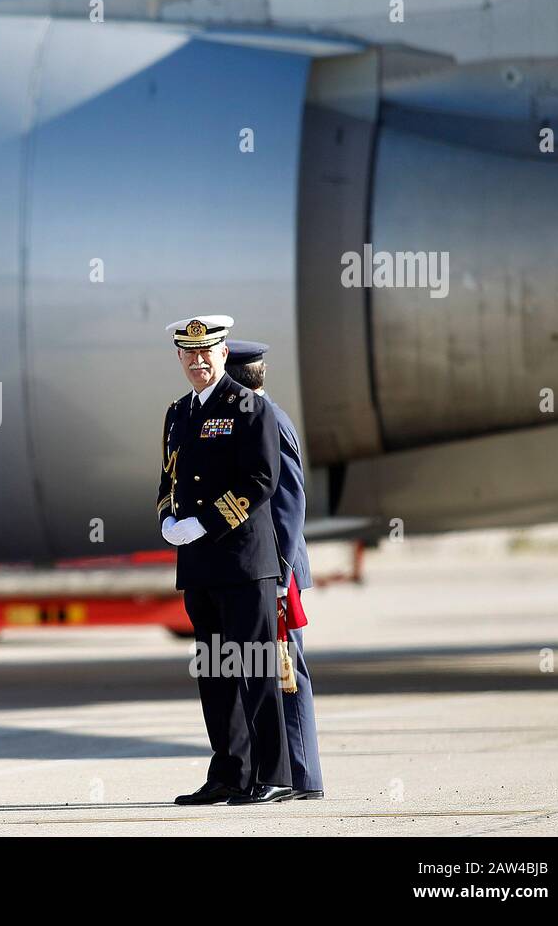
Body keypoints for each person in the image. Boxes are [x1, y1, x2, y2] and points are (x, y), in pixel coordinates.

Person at [157, 315, 294, 805]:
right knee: (214, 673)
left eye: (206, 352)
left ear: (221, 353)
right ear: (179, 358)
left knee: (254, 670)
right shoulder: (178, 413)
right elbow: (169, 480)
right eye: (189, 354)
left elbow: (261, 480)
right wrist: (167, 520)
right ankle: (229, 774)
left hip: (241, 563)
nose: (198, 361)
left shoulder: (247, 407)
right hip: (198, 566)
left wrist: (205, 523)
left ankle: (273, 774)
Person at [224, 340, 324, 800]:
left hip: (279, 569)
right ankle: (276, 774)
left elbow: (289, 505)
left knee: (287, 671)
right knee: (269, 669)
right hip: (270, 568)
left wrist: (281, 577)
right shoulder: (259, 418)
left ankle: (303, 780)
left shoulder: (270, 422)